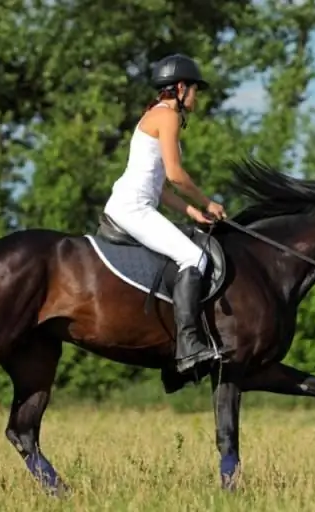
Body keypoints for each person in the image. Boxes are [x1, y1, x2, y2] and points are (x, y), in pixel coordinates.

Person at [103, 53, 229, 375]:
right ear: (181, 87)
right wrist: (208, 202)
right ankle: (188, 347)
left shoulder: (157, 115)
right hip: (133, 208)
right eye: (195, 90)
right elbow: (175, 174)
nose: (197, 96)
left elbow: (161, 187)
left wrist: (192, 211)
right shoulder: (168, 116)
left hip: (134, 202)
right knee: (195, 258)